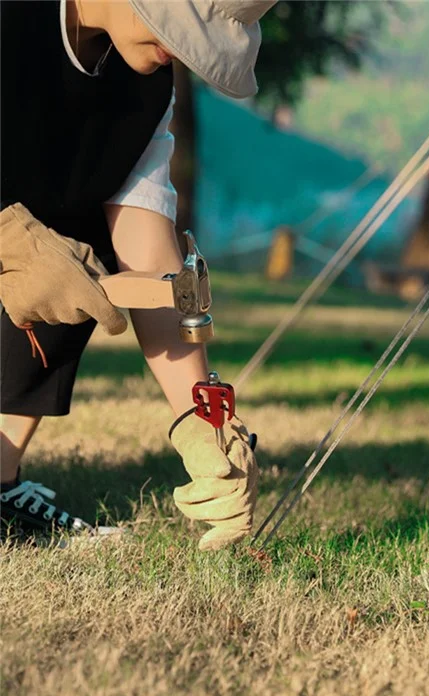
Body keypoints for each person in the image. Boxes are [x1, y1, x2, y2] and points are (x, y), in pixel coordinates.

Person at [0, 0, 276, 550]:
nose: (178, 51)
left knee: (75, 240)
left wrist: (202, 417)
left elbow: (151, 262)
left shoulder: (145, 88)